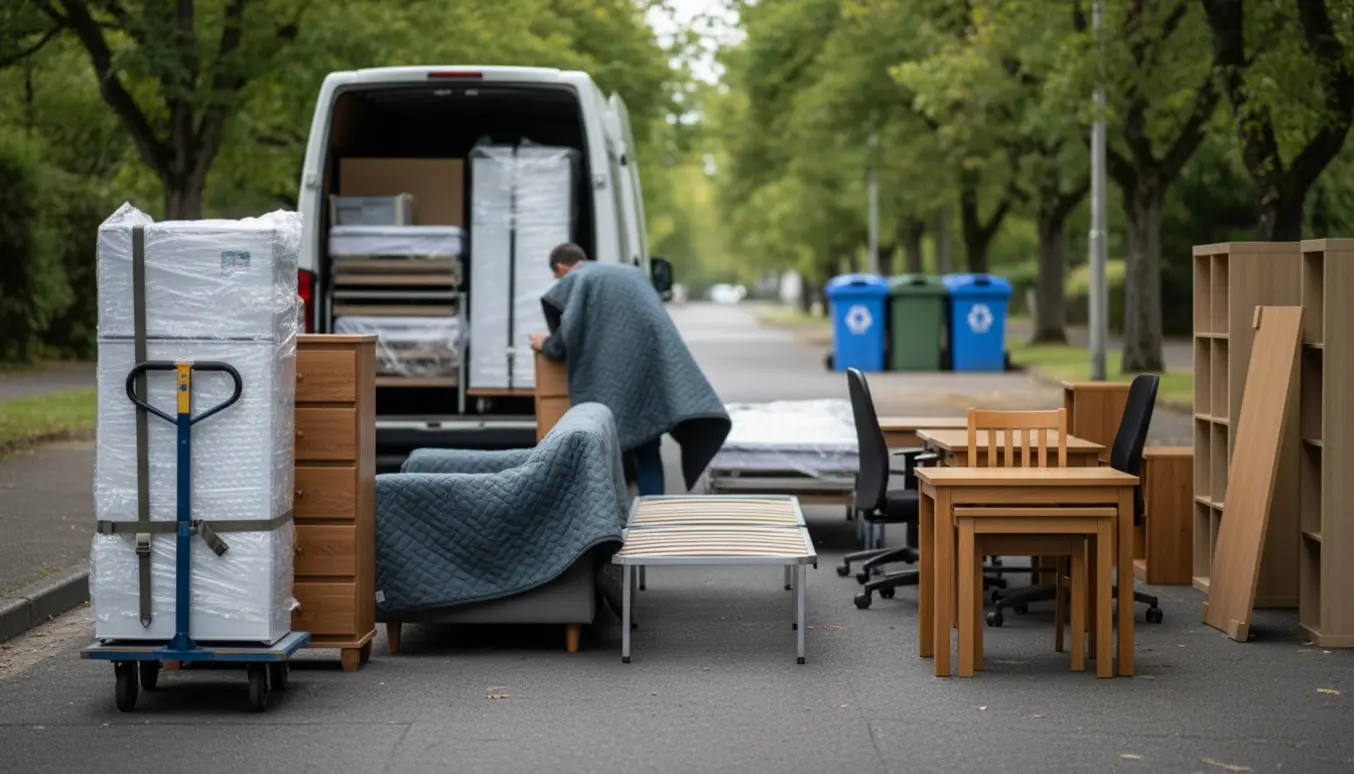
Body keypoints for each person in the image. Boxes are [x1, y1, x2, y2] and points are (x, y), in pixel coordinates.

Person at [529, 242, 729, 498]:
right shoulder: (629, 273)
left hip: (613, 382)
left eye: (557, 277)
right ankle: (653, 515)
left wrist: (545, 342)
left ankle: (610, 521)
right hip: (650, 373)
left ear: (561, 268)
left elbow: (568, 338)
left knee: (609, 452)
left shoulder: (579, 279)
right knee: (648, 446)